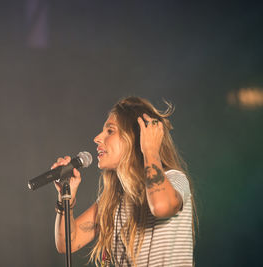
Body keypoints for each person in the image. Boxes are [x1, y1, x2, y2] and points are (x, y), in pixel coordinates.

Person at [52, 96, 196, 267]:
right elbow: (67, 243)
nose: (97, 138)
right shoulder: (112, 200)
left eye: (110, 131)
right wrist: (65, 197)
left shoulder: (174, 179)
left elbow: (161, 206)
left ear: (135, 138)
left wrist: (150, 150)